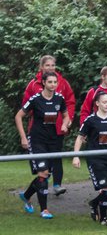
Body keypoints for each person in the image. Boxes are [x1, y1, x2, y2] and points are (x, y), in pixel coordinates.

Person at [15, 72, 72, 219]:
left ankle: (26, 196)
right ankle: (44, 210)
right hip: (37, 140)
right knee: (43, 174)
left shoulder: (59, 98)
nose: (53, 85)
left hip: (53, 140)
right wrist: (23, 138)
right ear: (44, 83)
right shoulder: (36, 99)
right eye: (50, 82)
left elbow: (66, 115)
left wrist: (65, 124)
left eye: (55, 82)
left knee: (46, 174)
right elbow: (18, 116)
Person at [21, 55, 76, 196]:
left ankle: (57, 184)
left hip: (57, 128)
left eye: (53, 65)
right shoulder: (33, 85)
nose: (50, 68)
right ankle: (33, 192)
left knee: (56, 157)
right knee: (43, 168)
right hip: (39, 129)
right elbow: (25, 107)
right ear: (41, 67)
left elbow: (69, 101)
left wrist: (67, 120)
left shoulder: (62, 82)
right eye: (47, 65)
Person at [71, 89, 107, 225]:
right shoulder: (90, 120)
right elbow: (80, 138)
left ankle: (94, 204)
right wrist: (76, 156)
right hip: (95, 158)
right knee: (105, 188)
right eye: (104, 102)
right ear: (97, 104)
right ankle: (104, 219)